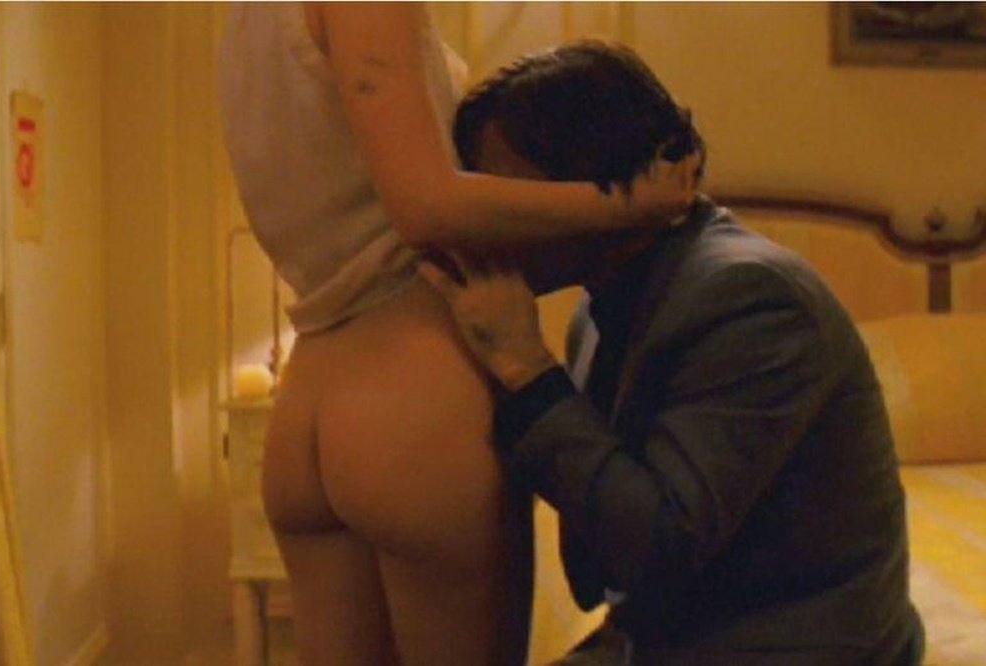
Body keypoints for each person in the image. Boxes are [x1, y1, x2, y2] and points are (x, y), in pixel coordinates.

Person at [218, 5, 699, 664]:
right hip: (412, 388)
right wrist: (625, 202)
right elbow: (426, 206)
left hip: (309, 398)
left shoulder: (245, 19)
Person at [420, 40, 924, 665]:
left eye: (507, 194)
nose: (489, 221)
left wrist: (528, 368)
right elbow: (599, 565)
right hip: (670, 639)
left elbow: (656, 545)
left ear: (592, 179)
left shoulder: (750, 298)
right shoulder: (599, 311)